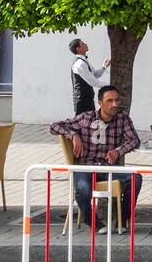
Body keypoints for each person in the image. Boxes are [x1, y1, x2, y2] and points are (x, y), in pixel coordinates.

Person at [48, 86, 142, 234]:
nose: (114, 104)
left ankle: (122, 219)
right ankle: (93, 221)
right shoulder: (86, 118)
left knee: (135, 178)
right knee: (83, 188)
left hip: (108, 167)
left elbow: (134, 140)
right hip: (85, 167)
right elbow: (54, 126)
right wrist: (73, 135)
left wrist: (118, 151)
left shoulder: (122, 118)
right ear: (100, 103)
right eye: (109, 101)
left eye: (116, 100)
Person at [69, 37, 110, 115]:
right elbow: (93, 82)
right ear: (78, 49)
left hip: (88, 99)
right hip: (82, 101)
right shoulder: (79, 64)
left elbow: (95, 75)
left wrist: (104, 67)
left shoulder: (84, 61)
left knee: (91, 120)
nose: (86, 44)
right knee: (84, 122)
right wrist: (110, 85)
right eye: (83, 44)